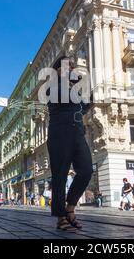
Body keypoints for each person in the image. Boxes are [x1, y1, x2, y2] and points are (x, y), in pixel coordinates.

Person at [46, 56, 93, 232]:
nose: (72, 68)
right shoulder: (52, 85)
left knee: (86, 170)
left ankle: (70, 208)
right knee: (60, 176)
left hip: (78, 134)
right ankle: (61, 217)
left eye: (73, 65)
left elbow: (84, 107)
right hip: (60, 134)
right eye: (68, 65)